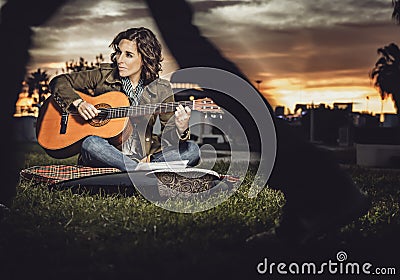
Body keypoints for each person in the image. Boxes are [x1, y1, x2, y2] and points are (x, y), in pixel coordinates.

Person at [49, 27, 200, 171]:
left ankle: (136, 169)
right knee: (90, 143)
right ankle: (138, 170)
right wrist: (79, 103)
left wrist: (182, 128)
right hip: (106, 153)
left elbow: (169, 141)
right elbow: (59, 81)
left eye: (128, 55)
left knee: (192, 150)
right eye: (119, 52)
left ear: (145, 58)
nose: (119, 59)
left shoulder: (161, 88)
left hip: (144, 156)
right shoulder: (104, 75)